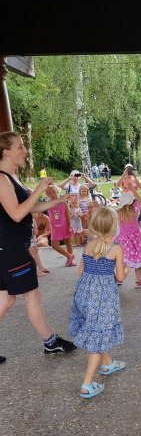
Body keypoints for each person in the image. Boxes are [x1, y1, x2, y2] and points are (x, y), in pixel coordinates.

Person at [0, 131, 76, 363]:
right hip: (11, 248)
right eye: (20, 147)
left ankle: (50, 342)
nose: (25, 151)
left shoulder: (11, 177)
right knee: (32, 296)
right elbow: (16, 214)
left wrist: (58, 201)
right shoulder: (2, 178)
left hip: (8, 247)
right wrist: (39, 189)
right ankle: (50, 342)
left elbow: (30, 207)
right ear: (6, 152)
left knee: (6, 300)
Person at [69, 206, 129, 399]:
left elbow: (80, 271)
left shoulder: (89, 244)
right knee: (97, 335)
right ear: (114, 226)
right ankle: (87, 384)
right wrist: (126, 270)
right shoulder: (116, 248)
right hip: (102, 298)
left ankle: (108, 363)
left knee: (96, 329)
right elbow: (120, 277)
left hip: (85, 295)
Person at [45, 184, 77, 266]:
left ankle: (70, 260)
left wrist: (69, 227)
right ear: (46, 194)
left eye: (53, 192)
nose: (52, 194)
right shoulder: (48, 204)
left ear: (57, 191)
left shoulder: (64, 204)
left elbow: (68, 216)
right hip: (55, 228)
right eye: (49, 193)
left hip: (65, 226)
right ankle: (70, 256)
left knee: (68, 242)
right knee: (54, 245)